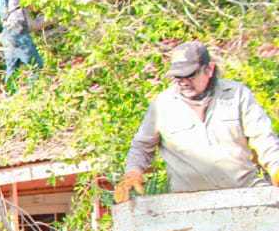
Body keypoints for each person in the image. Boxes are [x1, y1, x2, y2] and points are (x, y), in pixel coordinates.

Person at [119, 41, 279, 200]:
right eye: (178, 77)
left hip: (246, 193)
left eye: (190, 75)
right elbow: (142, 146)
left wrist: (276, 167)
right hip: (189, 202)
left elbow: (263, 137)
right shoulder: (162, 105)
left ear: (209, 69)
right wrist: (133, 173)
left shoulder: (237, 95)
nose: (183, 82)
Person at [0, 0, 43, 86]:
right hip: (18, 31)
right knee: (36, 65)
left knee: (12, 70)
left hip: (7, 33)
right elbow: (38, 0)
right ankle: (35, 91)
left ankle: (9, 94)